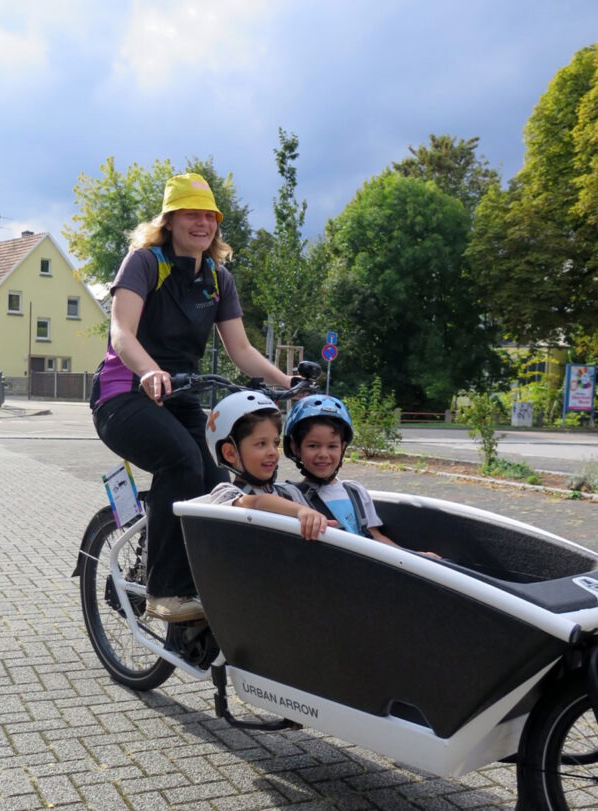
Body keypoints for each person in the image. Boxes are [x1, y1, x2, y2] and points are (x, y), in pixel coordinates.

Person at [91, 173, 297, 622]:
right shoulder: (144, 262)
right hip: (124, 394)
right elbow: (122, 332)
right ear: (170, 220)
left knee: (213, 479)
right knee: (182, 461)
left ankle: (193, 573)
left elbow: (240, 350)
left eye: (209, 216)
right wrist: (148, 370)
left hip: (179, 395)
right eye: (191, 214)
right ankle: (164, 592)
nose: (201, 223)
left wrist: (287, 382)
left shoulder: (218, 279)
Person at [281, 395, 440, 556]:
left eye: (332, 446)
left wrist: (414, 557)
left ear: (343, 447)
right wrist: (300, 511)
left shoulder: (355, 491)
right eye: (313, 446)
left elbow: (375, 537)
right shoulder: (292, 496)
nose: (323, 454)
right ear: (295, 448)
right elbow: (258, 501)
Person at [199, 391, 331, 541]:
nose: (273, 452)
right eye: (261, 444)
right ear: (230, 453)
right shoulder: (224, 493)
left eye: (275, 443)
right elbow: (258, 502)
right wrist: (301, 511)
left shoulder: (289, 494)